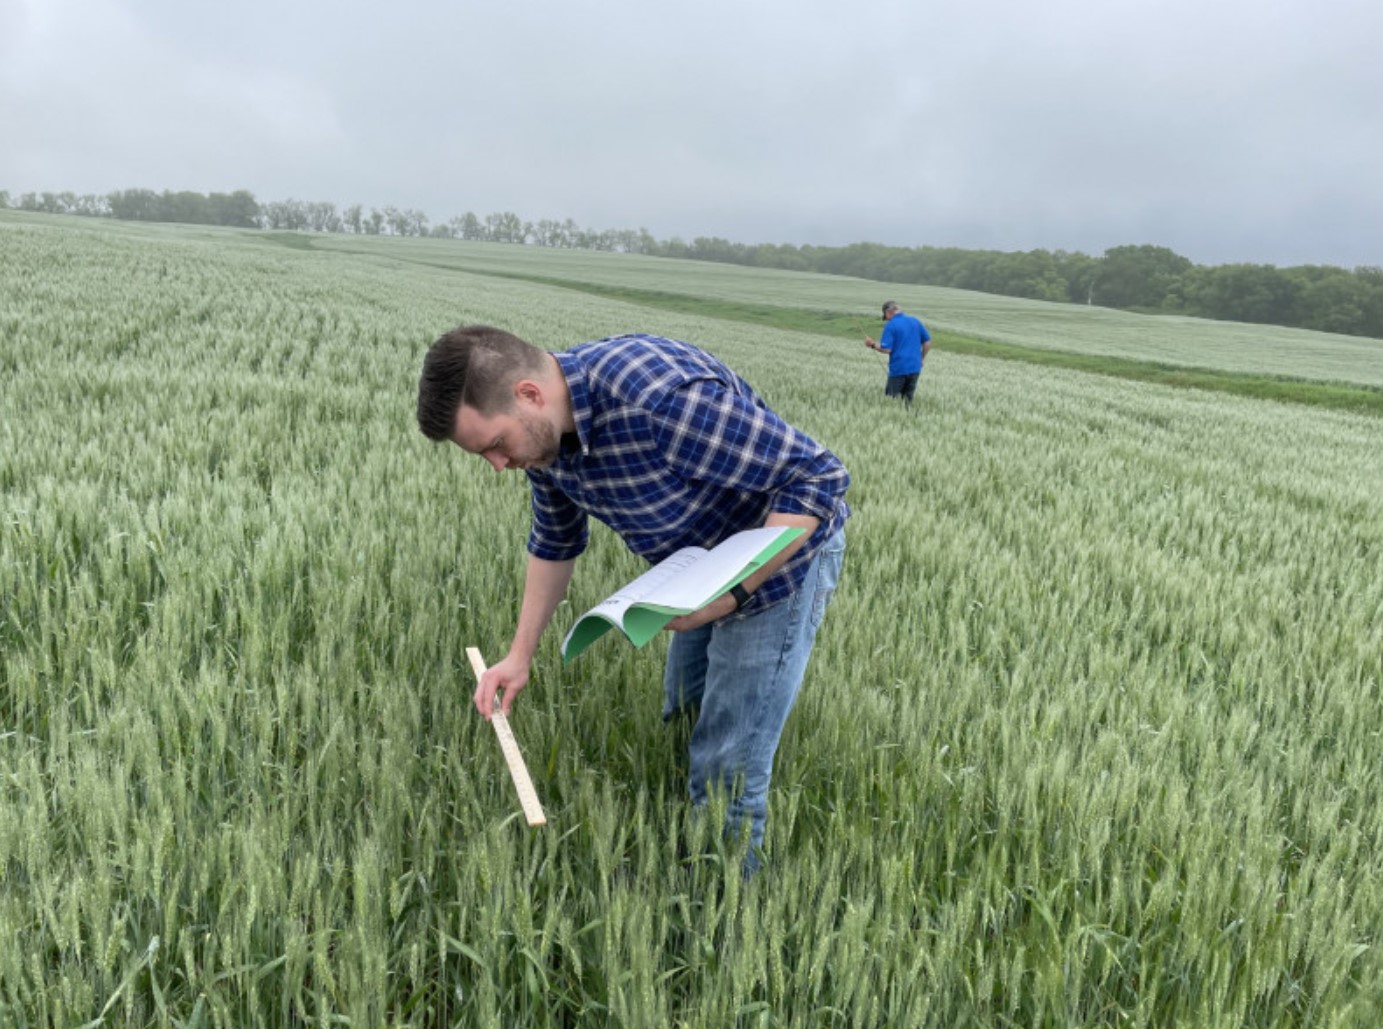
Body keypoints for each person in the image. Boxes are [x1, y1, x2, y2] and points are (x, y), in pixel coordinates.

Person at [416, 326, 850, 874]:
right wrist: (518, 656)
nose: (498, 465)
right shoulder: (547, 438)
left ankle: (726, 915)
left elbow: (820, 475)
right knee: (685, 711)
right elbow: (555, 540)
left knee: (728, 763)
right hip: (696, 565)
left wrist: (733, 593)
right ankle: (680, 846)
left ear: (529, 394)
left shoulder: (660, 403)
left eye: (496, 446)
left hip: (783, 561)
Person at [864, 300, 931, 404]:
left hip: (898, 369)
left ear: (888, 312)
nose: (887, 320)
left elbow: (886, 349)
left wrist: (872, 344)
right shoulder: (915, 321)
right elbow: (927, 341)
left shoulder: (891, 325)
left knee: (891, 402)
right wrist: (922, 358)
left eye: (886, 317)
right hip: (915, 368)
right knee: (907, 402)